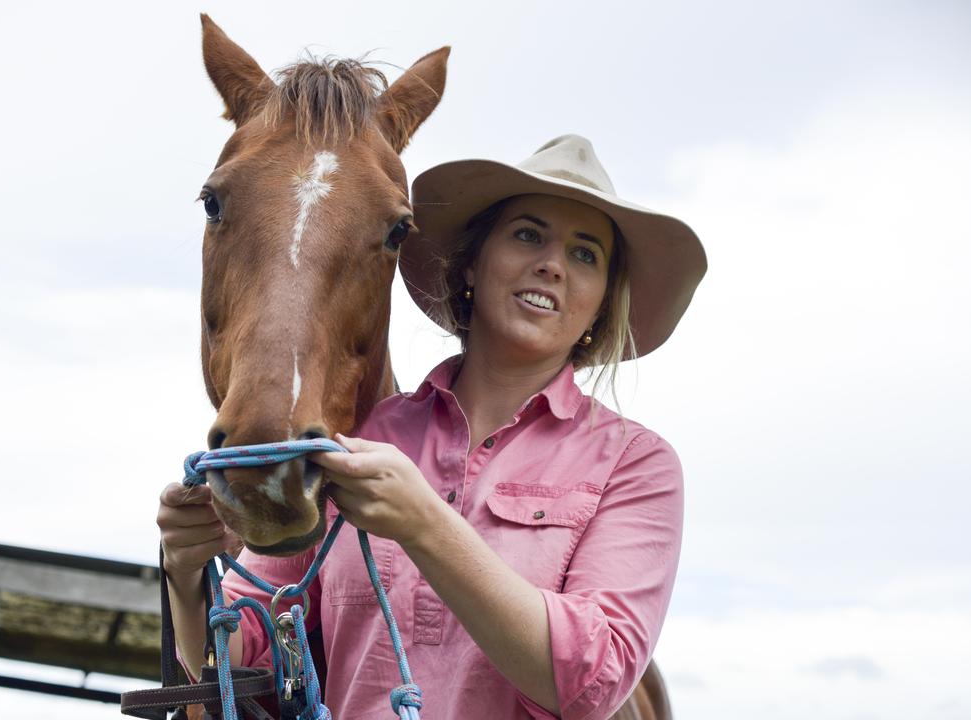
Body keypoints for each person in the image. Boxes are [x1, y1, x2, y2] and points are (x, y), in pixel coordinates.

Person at [157, 134, 706, 719]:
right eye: (528, 234)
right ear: (472, 262)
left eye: (585, 254)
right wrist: (187, 576)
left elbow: (592, 683)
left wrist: (424, 523)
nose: (551, 264)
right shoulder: (361, 437)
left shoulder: (636, 465)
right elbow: (240, 651)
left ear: (601, 304)